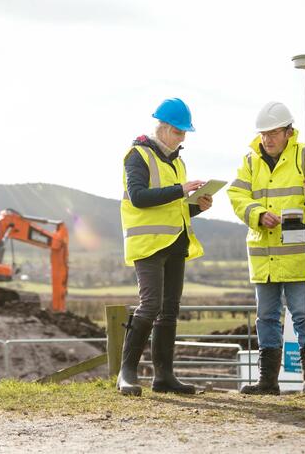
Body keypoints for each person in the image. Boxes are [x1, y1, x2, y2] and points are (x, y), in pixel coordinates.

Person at [118, 97, 212, 396]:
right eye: (178, 131)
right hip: (148, 244)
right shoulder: (138, 155)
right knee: (151, 305)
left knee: (170, 310)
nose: (182, 137)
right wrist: (180, 190)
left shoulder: (177, 161)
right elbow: (139, 197)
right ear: (163, 127)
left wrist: (197, 206)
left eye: (185, 132)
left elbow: (174, 207)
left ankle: (164, 376)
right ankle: (127, 373)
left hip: (175, 242)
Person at [227, 101, 305, 395]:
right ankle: (267, 382)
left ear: (289, 132)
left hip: (298, 256)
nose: (268, 138)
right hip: (263, 257)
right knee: (266, 317)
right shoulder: (249, 162)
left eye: (274, 132)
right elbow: (236, 194)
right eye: (264, 133)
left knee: (304, 316)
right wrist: (256, 213)